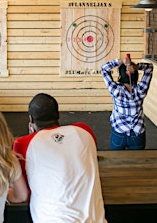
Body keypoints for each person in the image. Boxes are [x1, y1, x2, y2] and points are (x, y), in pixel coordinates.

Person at [13, 93, 107, 223]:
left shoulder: (23, 144)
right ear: (58, 114)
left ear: (31, 119)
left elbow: (25, 191)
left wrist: (33, 135)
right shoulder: (84, 131)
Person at [101, 56, 153, 150]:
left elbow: (104, 68)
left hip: (119, 132)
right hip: (137, 134)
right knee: (136, 162)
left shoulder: (116, 90)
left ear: (120, 75)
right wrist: (136, 67)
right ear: (135, 74)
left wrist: (121, 61)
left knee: (115, 159)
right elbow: (149, 68)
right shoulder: (141, 90)